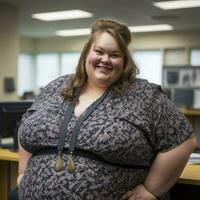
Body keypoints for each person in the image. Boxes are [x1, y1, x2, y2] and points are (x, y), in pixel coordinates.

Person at [17, 18, 197, 200]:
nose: (105, 60)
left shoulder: (145, 95)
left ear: (125, 61)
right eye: (99, 51)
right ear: (87, 53)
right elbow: (28, 126)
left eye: (115, 55)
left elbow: (182, 140)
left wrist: (151, 190)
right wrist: (23, 174)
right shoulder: (57, 87)